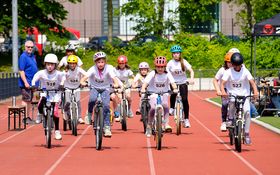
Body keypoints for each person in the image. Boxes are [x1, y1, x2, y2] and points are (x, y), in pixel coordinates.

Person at [220, 52, 258, 144]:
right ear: (232, 64)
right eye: (235, 65)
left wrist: (255, 92)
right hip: (233, 94)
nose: (237, 67)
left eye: (239, 65)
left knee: (248, 113)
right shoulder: (228, 72)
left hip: (244, 95)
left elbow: (252, 83)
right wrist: (223, 92)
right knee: (232, 102)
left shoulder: (245, 71)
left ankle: (247, 133)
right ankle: (231, 118)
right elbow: (222, 83)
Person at [80, 51, 119, 137]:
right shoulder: (92, 69)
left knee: (106, 106)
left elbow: (114, 78)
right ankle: (89, 115)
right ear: (95, 62)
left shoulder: (108, 68)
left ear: (105, 62)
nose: (100, 64)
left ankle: (107, 127)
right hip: (94, 87)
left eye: (102, 62)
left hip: (105, 88)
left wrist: (116, 84)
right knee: (92, 99)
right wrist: (83, 82)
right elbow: (84, 78)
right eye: (98, 62)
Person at [141, 56, 178, 137]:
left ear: (165, 67)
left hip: (164, 92)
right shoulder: (152, 73)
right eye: (158, 67)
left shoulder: (167, 73)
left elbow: (173, 83)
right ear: (155, 67)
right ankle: (149, 125)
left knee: (165, 105)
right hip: (153, 93)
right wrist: (143, 88)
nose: (160, 69)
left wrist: (175, 88)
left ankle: (166, 124)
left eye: (162, 67)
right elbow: (145, 83)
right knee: (153, 108)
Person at [31, 53, 65, 140]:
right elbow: (35, 78)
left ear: (55, 65)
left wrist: (61, 84)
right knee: (40, 104)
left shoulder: (58, 73)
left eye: (52, 64)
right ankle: (40, 114)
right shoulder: (41, 73)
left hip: (56, 94)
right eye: (48, 64)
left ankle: (57, 131)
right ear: (45, 64)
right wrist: (33, 85)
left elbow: (64, 77)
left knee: (55, 113)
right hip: (45, 92)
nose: (50, 66)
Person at [167, 45, 194, 128]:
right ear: (172, 54)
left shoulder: (184, 62)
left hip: (183, 82)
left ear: (180, 54)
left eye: (177, 53)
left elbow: (191, 71)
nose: (176, 55)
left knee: (185, 99)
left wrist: (191, 79)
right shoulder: (170, 63)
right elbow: (166, 72)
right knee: (173, 94)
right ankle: (171, 108)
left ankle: (186, 119)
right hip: (173, 83)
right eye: (174, 53)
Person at [213, 49, 235, 131]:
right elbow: (215, 80)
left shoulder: (237, 69)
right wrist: (218, 90)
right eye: (228, 62)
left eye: (231, 62)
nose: (230, 64)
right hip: (224, 89)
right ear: (225, 62)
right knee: (225, 104)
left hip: (234, 89)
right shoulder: (222, 70)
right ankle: (223, 122)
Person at [63, 55, 87, 124]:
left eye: (74, 63)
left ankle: (79, 117)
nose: (72, 65)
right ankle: (65, 112)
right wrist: (61, 84)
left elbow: (86, 75)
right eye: (70, 63)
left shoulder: (79, 69)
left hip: (77, 87)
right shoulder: (66, 71)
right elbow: (62, 77)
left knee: (78, 102)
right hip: (67, 88)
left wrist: (85, 81)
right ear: (68, 63)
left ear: (76, 64)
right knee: (67, 101)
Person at [18, 40, 38, 124]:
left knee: (29, 100)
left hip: (32, 82)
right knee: (26, 99)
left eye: (31, 47)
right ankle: (24, 118)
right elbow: (21, 70)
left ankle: (27, 117)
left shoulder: (32, 56)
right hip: (26, 82)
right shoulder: (23, 56)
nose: (30, 48)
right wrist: (25, 82)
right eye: (28, 47)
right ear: (25, 47)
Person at [113, 55, 134, 120]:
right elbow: (113, 77)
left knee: (128, 97)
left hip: (126, 87)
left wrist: (134, 82)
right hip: (119, 87)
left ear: (125, 63)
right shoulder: (115, 70)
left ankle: (129, 110)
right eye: (120, 63)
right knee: (119, 99)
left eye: (123, 63)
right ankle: (119, 115)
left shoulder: (128, 70)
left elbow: (133, 76)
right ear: (118, 63)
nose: (121, 65)